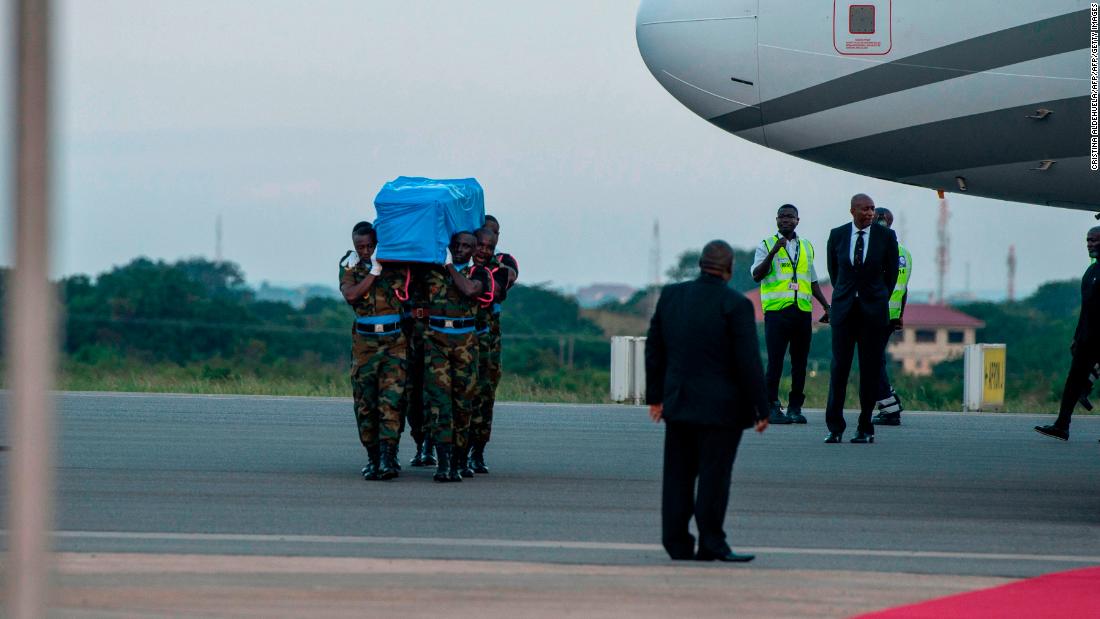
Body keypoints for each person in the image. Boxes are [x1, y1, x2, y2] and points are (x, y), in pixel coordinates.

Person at [645, 240, 769, 562]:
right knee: (714, 478)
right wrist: (761, 407)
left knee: (677, 477)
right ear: (729, 269)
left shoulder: (672, 296)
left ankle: (676, 543)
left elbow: (654, 349)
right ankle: (711, 542)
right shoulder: (736, 305)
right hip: (723, 411)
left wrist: (656, 398)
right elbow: (748, 361)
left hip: (679, 404)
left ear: (700, 264)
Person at [823, 194, 899, 444]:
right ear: (852, 211)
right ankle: (835, 427)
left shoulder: (886, 236)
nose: (870, 213)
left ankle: (865, 426)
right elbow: (835, 272)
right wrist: (847, 295)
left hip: (873, 313)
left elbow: (891, 274)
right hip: (844, 311)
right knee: (839, 369)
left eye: (872, 209)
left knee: (870, 369)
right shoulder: (838, 235)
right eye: (865, 209)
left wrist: (877, 297)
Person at [750, 204, 831, 425]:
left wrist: (826, 306)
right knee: (775, 362)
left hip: (802, 312)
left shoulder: (806, 247)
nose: (785, 220)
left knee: (800, 363)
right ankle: (771, 406)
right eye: (782, 216)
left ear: (797, 220)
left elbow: (812, 280)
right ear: (776, 220)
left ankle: (795, 407)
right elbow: (756, 275)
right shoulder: (766, 245)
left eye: (790, 217)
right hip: (777, 312)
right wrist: (773, 252)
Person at [339, 221, 407, 480]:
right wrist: (374, 273)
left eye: (370, 245)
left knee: (392, 401)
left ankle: (389, 458)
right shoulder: (350, 265)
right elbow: (351, 295)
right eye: (361, 247)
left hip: (394, 342)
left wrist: (384, 262)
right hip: (365, 344)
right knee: (365, 403)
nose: (366, 251)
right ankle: (373, 457)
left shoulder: (394, 262)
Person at [423, 231, 491, 482]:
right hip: (437, 343)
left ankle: (458, 462)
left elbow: (470, 290)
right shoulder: (433, 271)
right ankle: (443, 463)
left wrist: (450, 266)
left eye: (466, 246)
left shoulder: (479, 273)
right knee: (441, 404)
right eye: (457, 245)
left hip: (465, 344)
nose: (461, 249)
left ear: (474, 250)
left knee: (463, 405)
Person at [1035, 226, 1100, 442]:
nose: (1090, 244)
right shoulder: (1091, 272)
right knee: (1073, 382)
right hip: (1086, 338)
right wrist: (1077, 336)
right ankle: (1062, 426)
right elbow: (1086, 309)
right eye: (1088, 240)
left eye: (1094, 240)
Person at [469, 227, 517, 474]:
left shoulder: (502, 264)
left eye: (490, 245)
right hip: (458, 340)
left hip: (487, 342)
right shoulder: (457, 260)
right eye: (480, 245)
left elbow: (499, 286)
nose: (484, 250)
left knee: (484, 396)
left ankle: (477, 451)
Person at [871, 208, 910, 426]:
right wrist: (900, 315)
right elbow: (904, 289)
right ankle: (890, 398)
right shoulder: (904, 253)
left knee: (872, 361)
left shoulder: (876, 249)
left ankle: (889, 405)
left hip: (874, 313)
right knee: (877, 359)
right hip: (891, 314)